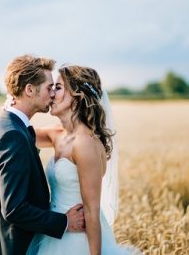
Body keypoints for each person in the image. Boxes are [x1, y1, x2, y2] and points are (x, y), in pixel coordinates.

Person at [26, 65, 142, 255]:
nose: (52, 93)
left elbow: (91, 211)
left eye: (58, 87)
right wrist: (17, 101)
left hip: (78, 239)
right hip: (56, 231)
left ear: (78, 97)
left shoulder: (86, 144)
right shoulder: (57, 134)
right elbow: (19, 134)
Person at [0, 55, 86, 255]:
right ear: (29, 90)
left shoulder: (4, 128)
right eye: (48, 88)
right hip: (11, 248)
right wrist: (64, 222)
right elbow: (13, 209)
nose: (53, 94)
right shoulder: (12, 135)